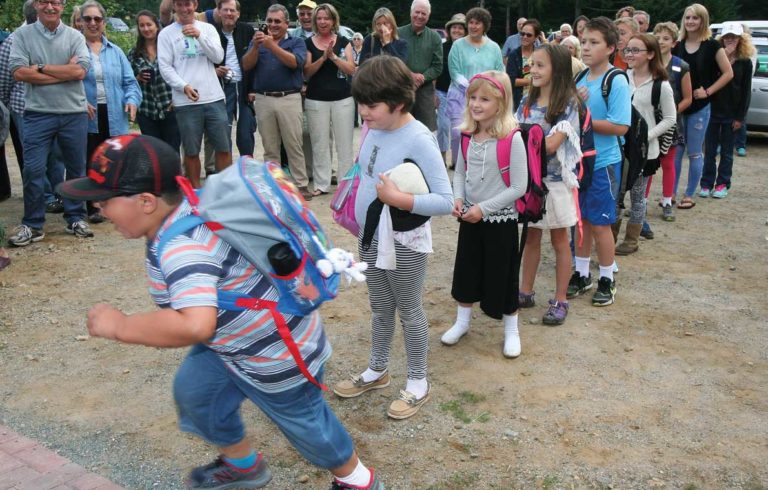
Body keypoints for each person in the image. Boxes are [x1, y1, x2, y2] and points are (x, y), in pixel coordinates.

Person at [56, 134, 384, 490]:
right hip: (231, 346)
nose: (99, 210)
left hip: (276, 355)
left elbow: (195, 324)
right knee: (196, 393)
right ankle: (244, 466)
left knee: (310, 427)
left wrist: (121, 326)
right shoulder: (182, 211)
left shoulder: (181, 249)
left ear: (147, 201)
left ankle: (357, 479)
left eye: (104, 202)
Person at [332, 56, 452, 419]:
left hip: (404, 240)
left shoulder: (419, 138)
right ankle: (378, 369)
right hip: (371, 235)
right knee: (381, 308)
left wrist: (400, 200)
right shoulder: (374, 127)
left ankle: (418, 382)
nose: (363, 112)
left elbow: (445, 201)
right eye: (360, 103)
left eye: (371, 105)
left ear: (398, 104)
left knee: (409, 311)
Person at [440, 70, 527, 354]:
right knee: (466, 269)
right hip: (470, 217)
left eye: (484, 99)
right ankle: (462, 321)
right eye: (473, 98)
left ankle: (511, 329)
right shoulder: (467, 135)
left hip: (500, 220)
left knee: (503, 273)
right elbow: (459, 172)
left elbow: (518, 186)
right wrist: (458, 198)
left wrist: (484, 208)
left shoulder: (512, 139)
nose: (476, 104)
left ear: (500, 103)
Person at [8, 0, 94, 247]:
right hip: (37, 113)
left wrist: (42, 69)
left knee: (76, 168)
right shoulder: (22, 35)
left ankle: (76, 217)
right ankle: (33, 224)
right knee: (33, 170)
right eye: (44, 1)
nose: (50, 7)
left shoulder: (75, 36)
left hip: (73, 113)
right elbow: (19, 73)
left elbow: (80, 73)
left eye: (55, 2)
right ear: (36, 5)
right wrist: (64, 71)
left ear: (62, 6)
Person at [517, 45, 583, 326]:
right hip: (531, 183)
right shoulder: (526, 102)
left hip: (555, 185)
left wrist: (523, 142)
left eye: (541, 65)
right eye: (532, 64)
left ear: (558, 69)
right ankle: (525, 290)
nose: (534, 70)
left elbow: (550, 145)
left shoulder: (567, 104)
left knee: (559, 241)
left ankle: (560, 298)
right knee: (531, 237)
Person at [570, 17, 631, 307]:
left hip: (604, 163)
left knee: (600, 223)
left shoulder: (615, 80)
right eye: (584, 42)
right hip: (578, 161)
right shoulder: (580, 78)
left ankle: (607, 277)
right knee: (580, 220)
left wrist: (584, 116)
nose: (586, 48)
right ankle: (581, 273)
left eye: (594, 43)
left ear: (610, 48)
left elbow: (620, 127)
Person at [242, 4, 313, 200]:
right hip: (264, 98)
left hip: (289, 97)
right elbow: (246, 65)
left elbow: (295, 63)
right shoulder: (257, 42)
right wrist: (256, 46)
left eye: (277, 21)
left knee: (294, 144)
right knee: (270, 146)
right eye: (270, 21)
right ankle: (274, 184)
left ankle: (301, 184)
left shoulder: (297, 41)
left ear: (286, 23)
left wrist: (271, 45)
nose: (272, 25)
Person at [158, 0, 230, 189]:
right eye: (179, 4)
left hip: (213, 97)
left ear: (195, 4)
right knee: (191, 151)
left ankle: (225, 191)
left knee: (223, 148)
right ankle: (196, 194)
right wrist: (183, 86)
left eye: (188, 4)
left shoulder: (207, 29)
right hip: (185, 102)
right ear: (174, 6)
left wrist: (199, 36)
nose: (184, 9)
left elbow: (218, 57)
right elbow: (165, 67)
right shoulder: (166, 34)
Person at [81, 0, 142, 224]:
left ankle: (115, 205)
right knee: (91, 160)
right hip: (87, 115)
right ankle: (94, 206)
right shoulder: (75, 50)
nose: (93, 23)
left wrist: (132, 101)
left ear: (104, 22)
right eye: (88, 19)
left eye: (97, 19)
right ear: (81, 22)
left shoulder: (115, 52)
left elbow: (130, 83)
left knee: (114, 160)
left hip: (115, 112)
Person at [615, 34, 676, 255]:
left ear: (650, 54)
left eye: (635, 50)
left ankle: (631, 240)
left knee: (638, 197)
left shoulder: (661, 85)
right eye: (627, 50)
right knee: (616, 195)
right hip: (620, 148)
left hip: (644, 152)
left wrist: (647, 135)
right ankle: (610, 237)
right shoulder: (621, 77)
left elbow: (670, 119)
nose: (629, 54)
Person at [672, 3, 733, 210]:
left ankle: (689, 194)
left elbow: (728, 73)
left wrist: (708, 91)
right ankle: (670, 193)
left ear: (703, 21)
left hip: (700, 106)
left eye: (695, 18)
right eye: (688, 17)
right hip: (679, 106)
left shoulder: (712, 46)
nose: (690, 21)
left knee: (695, 152)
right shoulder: (677, 45)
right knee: (677, 151)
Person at [303, 3, 356, 196]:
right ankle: (321, 184)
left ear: (334, 20)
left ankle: (345, 185)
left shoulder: (344, 41)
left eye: (327, 18)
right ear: (315, 21)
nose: (323, 21)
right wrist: (323, 58)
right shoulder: (308, 43)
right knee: (320, 144)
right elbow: (307, 72)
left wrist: (333, 57)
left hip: (343, 99)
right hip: (316, 100)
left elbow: (351, 69)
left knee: (345, 144)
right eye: (319, 18)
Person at [700, 22, 753, 199]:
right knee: (709, 150)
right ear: (722, 39)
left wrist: (741, 117)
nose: (730, 40)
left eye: (734, 37)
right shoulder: (714, 57)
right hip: (711, 110)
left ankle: (722, 183)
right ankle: (706, 183)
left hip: (732, 112)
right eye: (727, 37)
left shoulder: (745, 62)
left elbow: (745, 90)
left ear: (740, 39)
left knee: (727, 152)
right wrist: (725, 57)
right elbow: (708, 80)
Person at [448, 8, 503, 167]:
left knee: (483, 135)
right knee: (459, 133)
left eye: (477, 23)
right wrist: (473, 89)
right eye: (470, 22)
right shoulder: (458, 45)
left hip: (487, 99)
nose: (472, 26)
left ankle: (479, 169)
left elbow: (499, 72)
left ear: (484, 25)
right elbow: (455, 72)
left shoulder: (494, 48)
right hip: (460, 97)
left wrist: (487, 92)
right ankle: (458, 168)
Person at [651, 21, 692, 222]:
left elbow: (688, 98)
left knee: (668, 163)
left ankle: (667, 201)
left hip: (671, 124)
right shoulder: (647, 63)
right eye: (657, 38)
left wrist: (671, 113)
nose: (661, 42)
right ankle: (640, 200)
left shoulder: (681, 66)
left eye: (666, 38)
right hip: (649, 123)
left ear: (674, 42)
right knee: (647, 164)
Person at [129, 10, 181, 154]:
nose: (146, 29)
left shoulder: (169, 48)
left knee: (172, 151)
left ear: (157, 25)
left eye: (149, 24)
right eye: (142, 25)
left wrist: (177, 99)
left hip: (170, 107)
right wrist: (137, 78)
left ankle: (173, 177)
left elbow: (182, 74)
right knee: (152, 154)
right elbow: (127, 81)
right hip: (147, 110)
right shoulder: (134, 53)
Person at [213, 0, 256, 159]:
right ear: (219, 12)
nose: (229, 14)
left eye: (232, 10)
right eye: (225, 10)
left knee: (245, 132)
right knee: (223, 131)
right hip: (222, 88)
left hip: (244, 87)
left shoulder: (247, 30)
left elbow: (256, 61)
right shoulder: (212, 32)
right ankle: (225, 171)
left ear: (238, 13)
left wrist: (253, 88)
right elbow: (204, 62)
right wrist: (215, 71)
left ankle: (248, 169)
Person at [398, 0, 443, 132]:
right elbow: (393, 60)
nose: (419, 16)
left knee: (427, 132)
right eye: (417, 12)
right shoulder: (398, 33)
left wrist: (422, 77)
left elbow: (437, 66)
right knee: (401, 129)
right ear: (411, 13)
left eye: (424, 13)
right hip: (402, 89)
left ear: (428, 16)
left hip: (425, 93)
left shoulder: (435, 37)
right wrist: (410, 75)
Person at [435, 13, 466, 166]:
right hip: (442, 92)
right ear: (449, 29)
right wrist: (433, 92)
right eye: (454, 27)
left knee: (459, 130)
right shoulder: (441, 47)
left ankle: (456, 161)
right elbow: (435, 69)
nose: (457, 30)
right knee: (442, 127)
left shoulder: (469, 49)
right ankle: (441, 160)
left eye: (460, 27)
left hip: (462, 95)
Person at [506, 18, 540, 109]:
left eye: (529, 35)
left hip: (538, 100)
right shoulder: (514, 54)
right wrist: (533, 81)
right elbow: (510, 80)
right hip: (519, 102)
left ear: (536, 37)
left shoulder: (541, 54)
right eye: (522, 34)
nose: (524, 37)